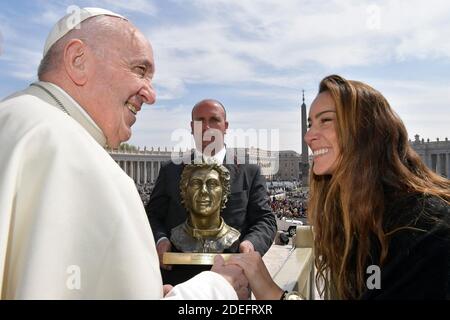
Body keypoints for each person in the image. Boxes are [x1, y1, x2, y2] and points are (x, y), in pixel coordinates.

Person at [0, 7, 248, 299]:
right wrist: (218, 288)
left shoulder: (17, 121)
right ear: (78, 60)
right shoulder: (69, 154)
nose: (151, 95)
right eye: (139, 70)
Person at [227, 75, 450, 300]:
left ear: (366, 130)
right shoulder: (365, 217)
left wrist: (272, 293)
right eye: (310, 123)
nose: (307, 136)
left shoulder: (426, 226)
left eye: (326, 120)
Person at [146, 99, 277, 285]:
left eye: (214, 120)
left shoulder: (249, 170)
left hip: (232, 279)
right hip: (177, 280)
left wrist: (251, 244)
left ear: (225, 126)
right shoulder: (170, 170)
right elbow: (153, 215)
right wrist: (160, 240)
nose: (207, 127)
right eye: (200, 120)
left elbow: (266, 219)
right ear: (192, 127)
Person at [171, 163, 240, 253]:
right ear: (185, 192)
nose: (203, 191)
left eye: (212, 184)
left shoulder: (232, 239)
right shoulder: (176, 236)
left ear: (224, 193)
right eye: (196, 184)